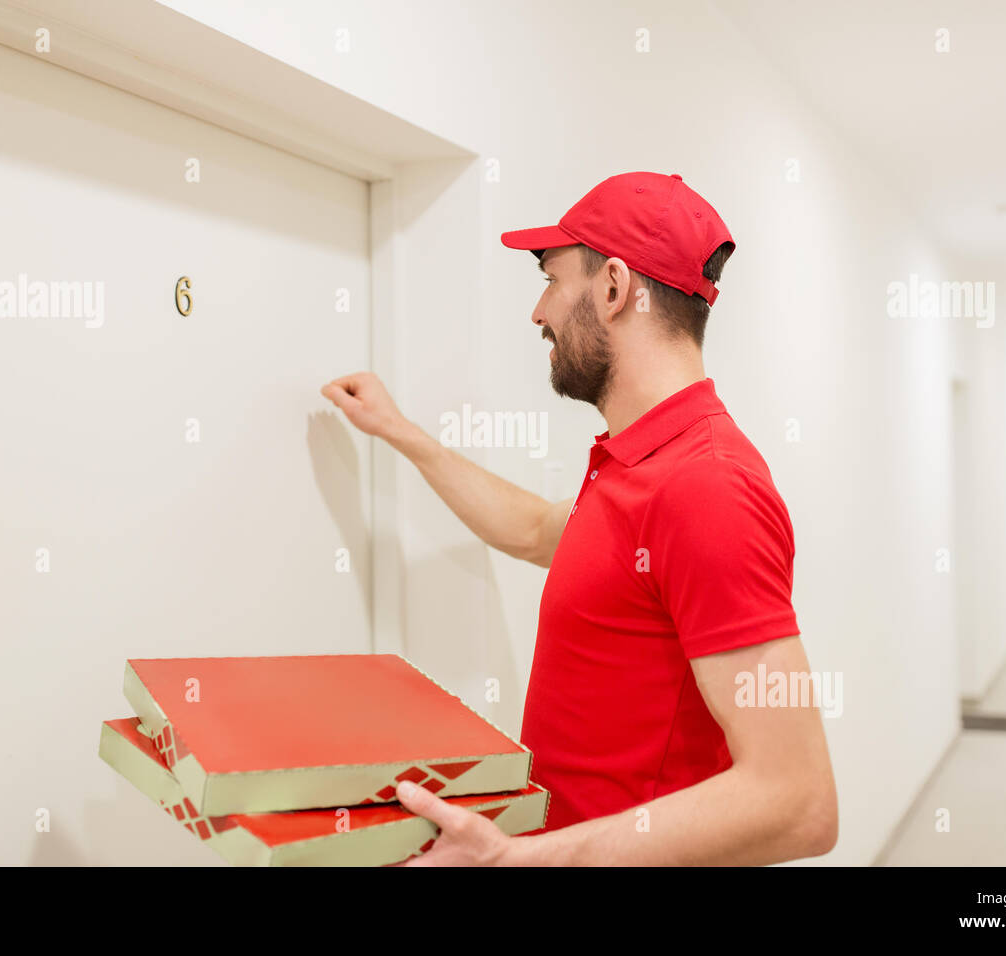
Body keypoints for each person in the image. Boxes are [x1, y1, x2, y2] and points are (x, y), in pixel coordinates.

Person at [321, 171, 837, 865]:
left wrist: (511, 861)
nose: (539, 313)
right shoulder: (640, 464)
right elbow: (535, 530)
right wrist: (401, 432)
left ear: (615, 288)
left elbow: (799, 802)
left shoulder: (706, 487)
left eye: (551, 280)